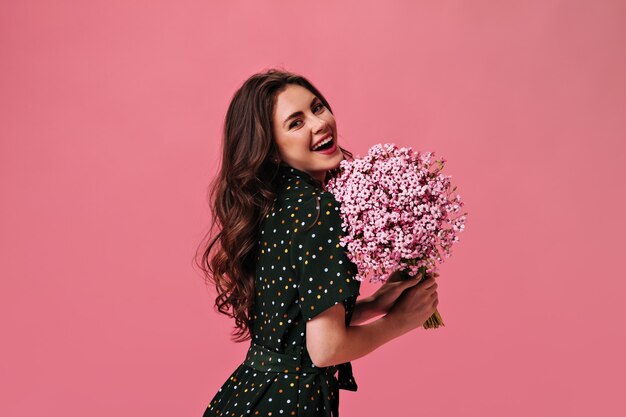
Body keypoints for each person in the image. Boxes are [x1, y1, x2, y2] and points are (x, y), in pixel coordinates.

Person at [196, 68, 439, 417]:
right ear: (272, 150)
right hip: (288, 405)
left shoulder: (275, 204)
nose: (318, 123)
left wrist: (374, 303)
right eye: (295, 123)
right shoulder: (318, 210)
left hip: (247, 395)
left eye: (318, 107)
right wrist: (400, 321)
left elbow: (288, 320)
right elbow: (325, 349)